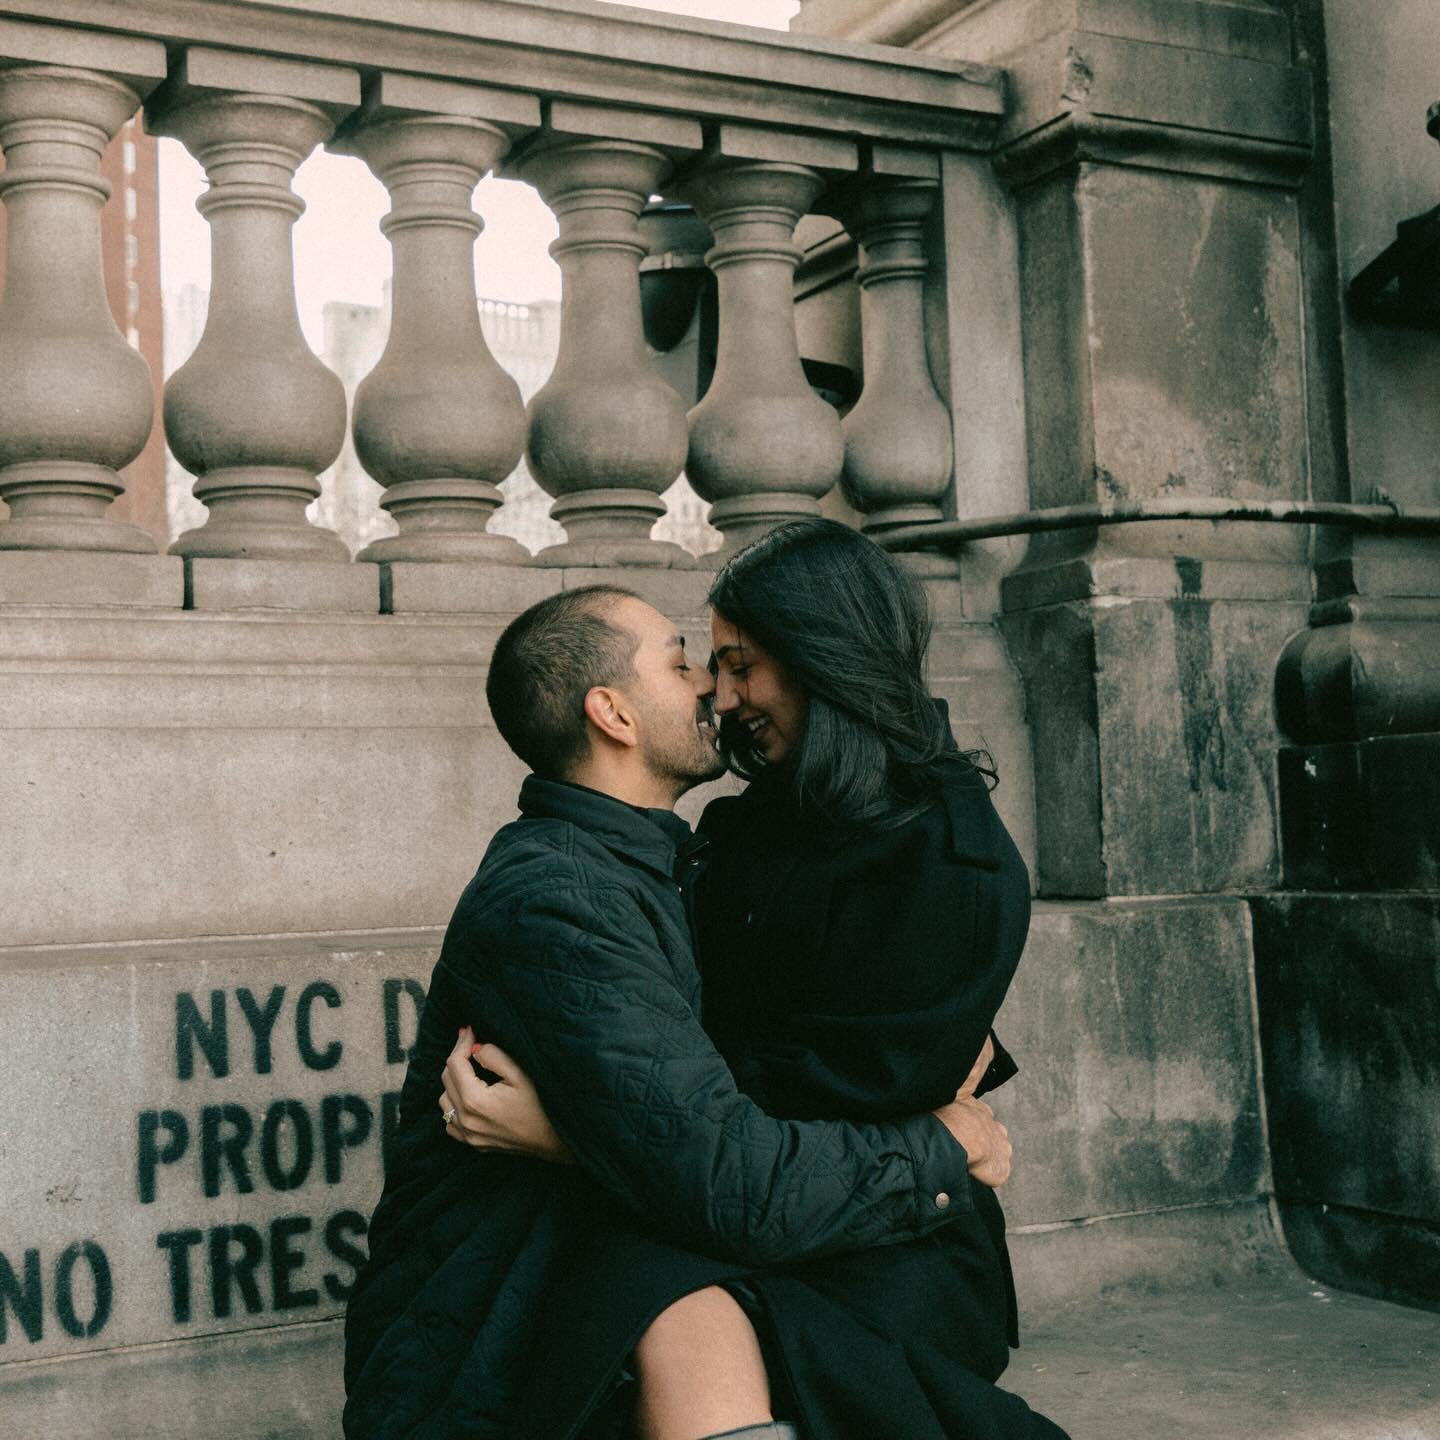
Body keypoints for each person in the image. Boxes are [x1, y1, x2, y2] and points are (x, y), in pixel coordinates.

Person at [342, 581, 1024, 1440]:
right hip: (488, 1334)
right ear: (613, 714)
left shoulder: (658, 863)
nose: (711, 686)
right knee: (698, 1325)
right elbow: (722, 1178)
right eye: (682, 662)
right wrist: (942, 1146)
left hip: (604, 1257)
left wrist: (940, 1034)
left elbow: (737, 1060)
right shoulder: (565, 900)